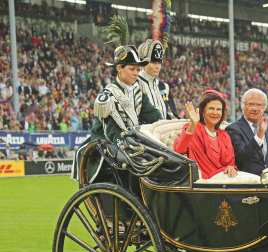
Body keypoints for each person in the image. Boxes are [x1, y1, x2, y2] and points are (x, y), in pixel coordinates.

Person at [72, 45, 162, 183]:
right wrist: (131, 147)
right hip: (105, 149)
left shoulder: (137, 91)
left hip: (129, 142)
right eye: (132, 69)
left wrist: (162, 126)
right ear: (119, 68)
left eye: (138, 69)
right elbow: (112, 132)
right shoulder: (107, 96)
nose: (136, 73)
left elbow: (153, 115)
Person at [173, 90, 237, 179]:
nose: (215, 112)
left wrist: (231, 167)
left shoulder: (224, 135)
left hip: (225, 178)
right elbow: (179, 151)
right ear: (203, 111)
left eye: (218, 109)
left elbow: (231, 163)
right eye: (211, 108)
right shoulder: (192, 127)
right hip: (203, 182)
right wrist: (193, 125)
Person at [226, 88, 268, 175]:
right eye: (251, 104)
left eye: (259, 105)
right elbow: (241, 158)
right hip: (250, 182)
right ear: (242, 106)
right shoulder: (233, 129)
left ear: (264, 107)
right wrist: (258, 137)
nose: (255, 108)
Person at [137, 39, 178, 119]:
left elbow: (171, 114)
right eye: (154, 62)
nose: (157, 66)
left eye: (159, 62)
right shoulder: (134, 84)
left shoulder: (164, 87)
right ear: (143, 62)